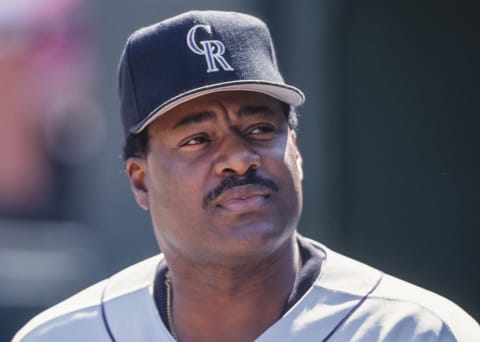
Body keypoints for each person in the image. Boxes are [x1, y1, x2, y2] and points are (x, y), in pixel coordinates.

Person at [13, 10, 479, 342]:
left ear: (295, 151)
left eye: (260, 129)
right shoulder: (65, 335)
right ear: (140, 181)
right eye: (198, 139)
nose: (239, 158)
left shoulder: (416, 331)